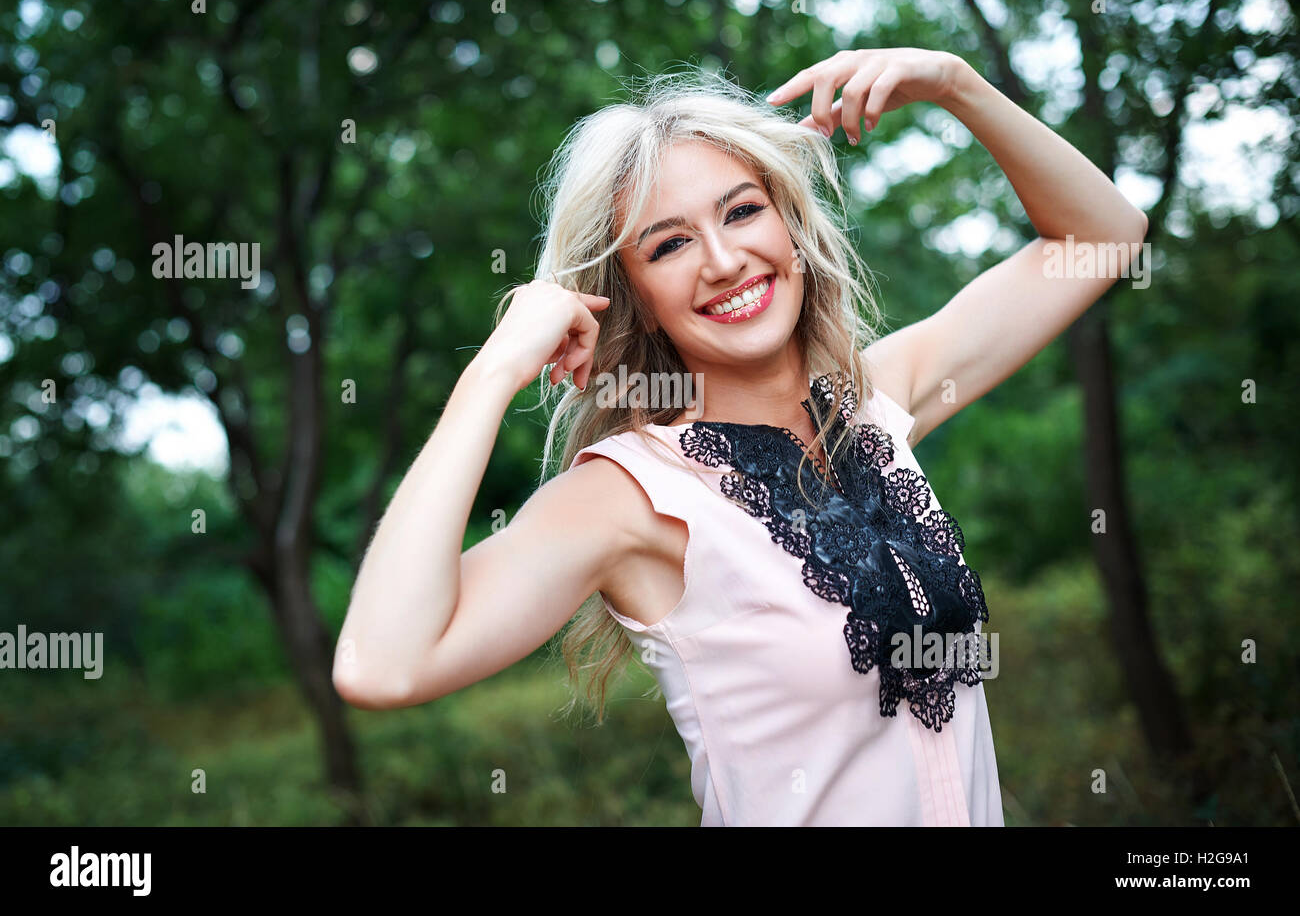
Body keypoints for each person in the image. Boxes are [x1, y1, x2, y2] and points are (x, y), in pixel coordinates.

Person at [333, 49, 1148, 826]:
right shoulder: (628, 495)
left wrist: (955, 84)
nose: (724, 260)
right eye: (671, 243)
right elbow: (382, 664)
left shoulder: (878, 401)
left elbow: (1105, 239)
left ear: (790, 227)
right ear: (635, 296)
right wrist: (494, 369)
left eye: (742, 210)